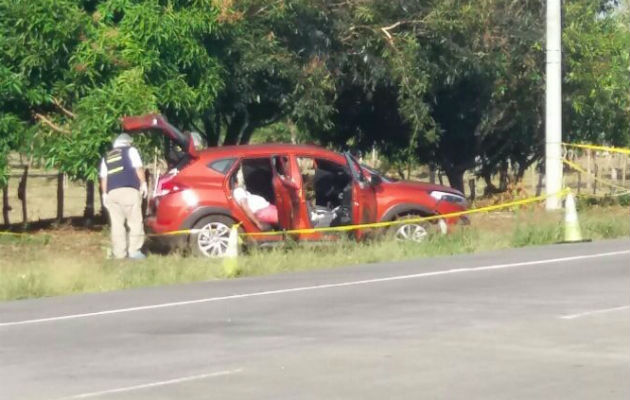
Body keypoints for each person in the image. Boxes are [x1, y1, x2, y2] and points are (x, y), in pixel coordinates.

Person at [99, 133, 148, 260]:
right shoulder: (131, 151)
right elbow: (138, 168)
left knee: (116, 225)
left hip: (112, 194)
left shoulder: (107, 156)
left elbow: (104, 177)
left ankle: (119, 254)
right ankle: (134, 251)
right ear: (127, 143)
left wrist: (104, 194)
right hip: (129, 191)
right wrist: (143, 183)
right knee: (135, 222)